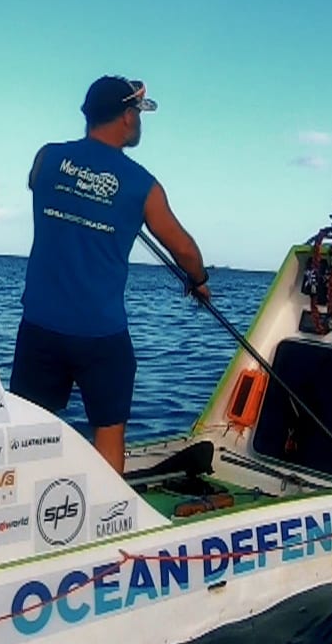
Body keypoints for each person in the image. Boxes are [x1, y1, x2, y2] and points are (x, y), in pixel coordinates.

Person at [11, 75, 211, 475]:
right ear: (125, 117)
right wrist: (199, 279)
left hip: (40, 326)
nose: (139, 120)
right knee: (108, 430)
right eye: (137, 111)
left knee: (29, 432)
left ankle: (25, 512)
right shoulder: (143, 185)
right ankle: (108, 517)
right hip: (100, 335)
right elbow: (184, 249)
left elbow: (36, 183)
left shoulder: (46, 157)